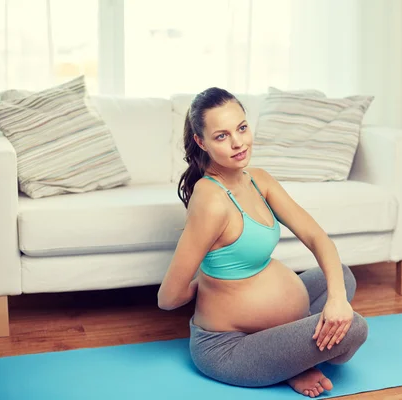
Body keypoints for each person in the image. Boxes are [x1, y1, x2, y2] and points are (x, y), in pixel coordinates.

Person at [157, 87, 368, 398]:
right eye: (221, 136)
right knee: (355, 328)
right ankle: (290, 362)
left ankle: (289, 352)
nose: (238, 142)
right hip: (230, 346)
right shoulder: (210, 198)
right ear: (201, 142)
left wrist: (337, 300)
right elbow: (168, 297)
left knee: (341, 276)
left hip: (271, 326)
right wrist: (207, 284)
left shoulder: (258, 179)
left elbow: (316, 237)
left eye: (242, 128)